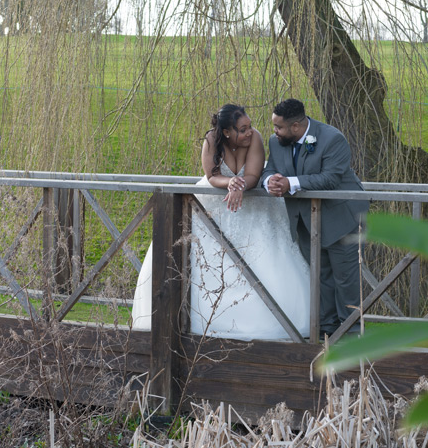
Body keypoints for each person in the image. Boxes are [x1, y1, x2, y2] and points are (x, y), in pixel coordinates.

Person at [131, 104, 312, 340]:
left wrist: (240, 184)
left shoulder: (255, 138)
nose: (249, 132)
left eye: (249, 126)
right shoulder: (211, 141)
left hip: (253, 202)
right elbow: (212, 176)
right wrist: (230, 183)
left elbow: (254, 175)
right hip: (215, 201)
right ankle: (190, 321)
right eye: (242, 129)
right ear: (226, 132)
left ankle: (277, 321)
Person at [261, 98, 368, 339]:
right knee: (320, 278)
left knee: (346, 280)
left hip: (343, 219)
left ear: (296, 127)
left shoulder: (332, 139)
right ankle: (326, 332)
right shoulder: (276, 142)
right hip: (306, 221)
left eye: (279, 127)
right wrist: (271, 181)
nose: (274, 132)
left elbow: (330, 178)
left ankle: (352, 336)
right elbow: (270, 168)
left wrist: (291, 183)